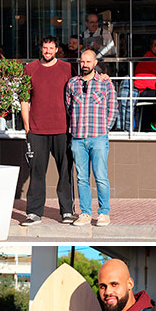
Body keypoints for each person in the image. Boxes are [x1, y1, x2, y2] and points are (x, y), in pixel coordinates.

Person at [20, 35, 74, 227]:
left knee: (65, 172)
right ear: (41, 49)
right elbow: (24, 99)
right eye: (45, 48)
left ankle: (67, 210)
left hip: (62, 129)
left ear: (57, 49)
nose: (48, 52)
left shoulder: (67, 68)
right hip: (37, 130)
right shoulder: (30, 68)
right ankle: (34, 213)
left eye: (51, 48)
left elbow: (78, 90)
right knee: (36, 173)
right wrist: (27, 127)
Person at [66, 48, 118, 226]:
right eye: (82, 61)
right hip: (78, 138)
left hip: (98, 137)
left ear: (95, 63)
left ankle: (104, 213)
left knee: (101, 176)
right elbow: (68, 108)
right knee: (81, 177)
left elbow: (113, 108)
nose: (84, 65)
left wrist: (105, 129)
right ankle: (85, 213)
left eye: (88, 61)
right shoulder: (72, 83)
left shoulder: (105, 83)